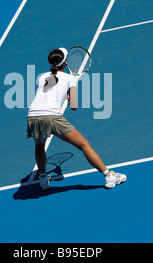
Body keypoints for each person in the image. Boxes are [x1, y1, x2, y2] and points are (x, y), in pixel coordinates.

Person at [26, 47, 127, 190]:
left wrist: (66, 93)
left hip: (33, 116)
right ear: (65, 62)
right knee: (84, 144)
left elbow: (49, 91)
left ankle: (43, 180)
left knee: (39, 145)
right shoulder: (69, 78)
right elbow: (74, 106)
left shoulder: (42, 77)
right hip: (51, 116)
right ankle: (109, 177)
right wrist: (69, 96)